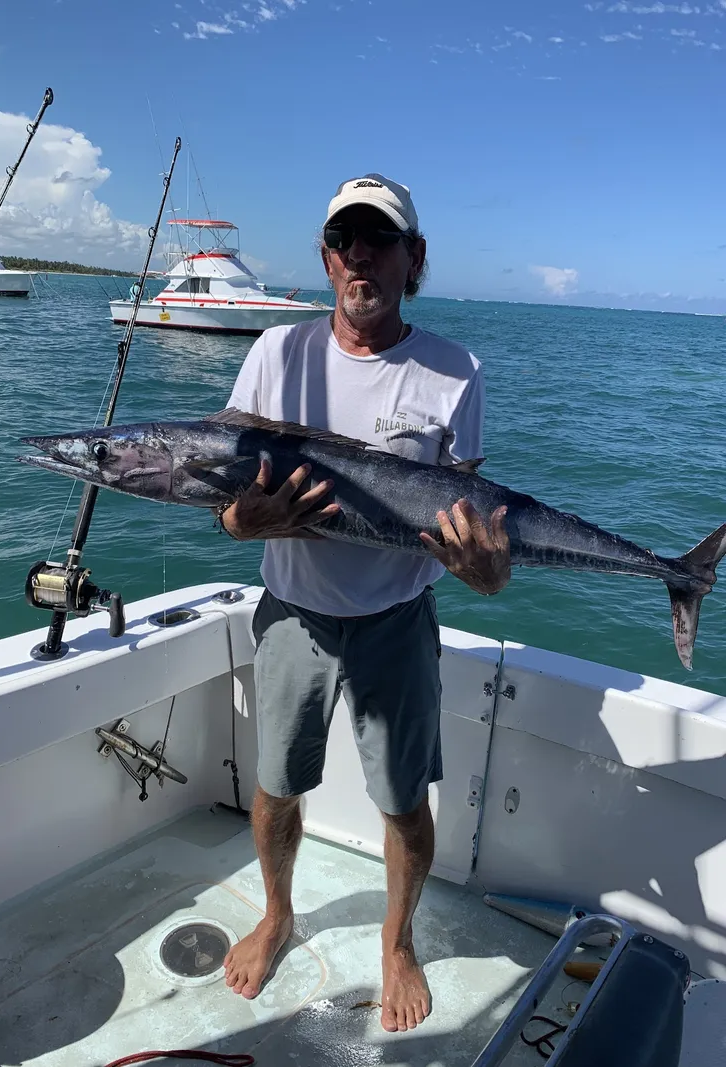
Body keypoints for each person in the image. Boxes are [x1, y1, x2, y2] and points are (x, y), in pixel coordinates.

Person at [218, 173, 511, 1033]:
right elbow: (230, 508)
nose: (360, 255)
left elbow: (478, 536)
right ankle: (278, 914)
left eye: (379, 240)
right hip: (292, 614)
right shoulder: (275, 354)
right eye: (344, 240)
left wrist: (486, 574)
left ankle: (397, 940)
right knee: (274, 787)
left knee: (402, 800)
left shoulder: (456, 371)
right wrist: (249, 519)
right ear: (324, 257)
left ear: (413, 259)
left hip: (398, 621)